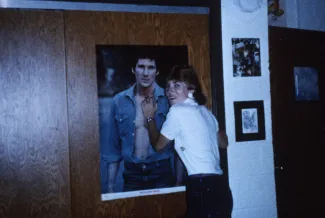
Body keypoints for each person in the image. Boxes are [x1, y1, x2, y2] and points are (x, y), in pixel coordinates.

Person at [141, 65, 233, 218]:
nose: (170, 90)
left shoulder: (177, 111)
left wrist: (149, 117)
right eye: (168, 86)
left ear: (191, 89)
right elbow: (224, 143)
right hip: (220, 187)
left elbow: (158, 146)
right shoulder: (206, 111)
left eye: (177, 85)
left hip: (203, 187)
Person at [101, 51, 185, 193]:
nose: (146, 73)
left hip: (162, 174)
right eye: (141, 66)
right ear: (133, 69)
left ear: (157, 71)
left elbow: (180, 145)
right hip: (132, 175)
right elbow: (113, 149)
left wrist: (178, 182)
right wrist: (110, 188)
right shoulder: (119, 101)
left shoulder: (168, 99)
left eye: (151, 67)